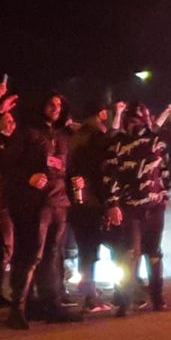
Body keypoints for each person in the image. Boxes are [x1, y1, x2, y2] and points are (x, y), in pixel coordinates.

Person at [4, 92, 84, 328]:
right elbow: (6, 162)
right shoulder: (27, 133)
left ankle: (52, 305)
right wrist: (28, 176)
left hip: (59, 203)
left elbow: (66, 168)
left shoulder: (62, 137)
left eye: (59, 104)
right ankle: (18, 309)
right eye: (51, 103)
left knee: (53, 255)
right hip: (33, 205)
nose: (55, 107)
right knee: (31, 255)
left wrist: (75, 183)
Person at [102, 103, 171, 316]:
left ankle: (157, 298)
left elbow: (165, 171)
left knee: (154, 253)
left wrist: (165, 195)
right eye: (131, 119)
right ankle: (124, 301)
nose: (135, 123)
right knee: (130, 254)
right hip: (129, 206)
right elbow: (110, 176)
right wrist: (113, 204)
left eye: (139, 119)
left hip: (154, 205)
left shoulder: (157, 142)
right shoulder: (118, 144)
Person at [67, 101, 114, 311]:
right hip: (95, 200)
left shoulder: (74, 138)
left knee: (85, 248)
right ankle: (94, 296)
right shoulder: (98, 138)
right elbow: (104, 171)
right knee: (103, 247)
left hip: (76, 201)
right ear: (101, 114)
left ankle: (88, 292)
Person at [0, 109, 17, 308]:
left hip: (11, 203)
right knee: (6, 246)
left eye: (12, 120)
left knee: (7, 249)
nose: (11, 123)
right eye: (6, 119)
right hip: (3, 204)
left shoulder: (17, 143)